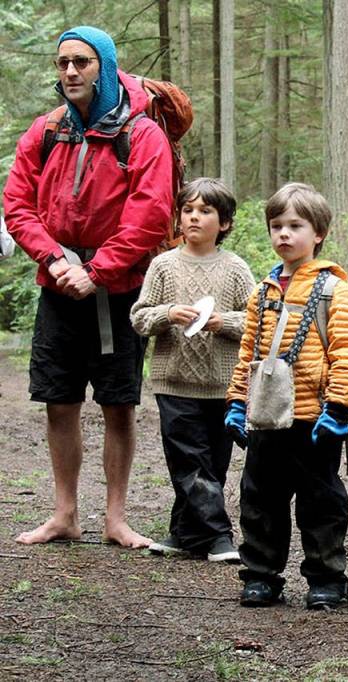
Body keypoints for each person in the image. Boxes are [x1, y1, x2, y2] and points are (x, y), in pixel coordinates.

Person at [2, 26, 173, 548]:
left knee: (118, 403)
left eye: (82, 61)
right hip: (58, 286)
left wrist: (97, 270)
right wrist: (55, 259)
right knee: (59, 400)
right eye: (63, 63)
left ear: (105, 65)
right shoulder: (47, 130)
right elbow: (17, 204)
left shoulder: (142, 134)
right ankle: (65, 514)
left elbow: (151, 214)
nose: (71, 71)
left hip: (119, 291)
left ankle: (116, 518)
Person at [224, 182, 348, 609]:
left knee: (322, 502)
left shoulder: (334, 289)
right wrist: (237, 402)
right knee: (260, 498)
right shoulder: (262, 292)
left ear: (318, 233)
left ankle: (327, 578)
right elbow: (248, 352)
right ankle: (261, 575)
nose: (284, 233)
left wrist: (338, 407)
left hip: (315, 418)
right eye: (277, 225)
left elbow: (347, 351)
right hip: (266, 417)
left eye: (295, 225)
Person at [130, 178, 255, 563]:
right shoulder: (163, 266)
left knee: (212, 463)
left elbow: (258, 321)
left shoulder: (236, 269)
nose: (194, 217)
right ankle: (218, 536)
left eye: (205, 211)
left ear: (225, 223)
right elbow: (139, 317)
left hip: (222, 384)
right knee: (188, 458)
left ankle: (183, 533)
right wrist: (168, 313)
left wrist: (223, 322)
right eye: (188, 210)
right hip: (174, 381)